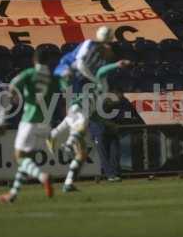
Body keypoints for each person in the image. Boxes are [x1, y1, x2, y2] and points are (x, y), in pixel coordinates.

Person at [46, 26, 131, 192]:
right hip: (71, 85)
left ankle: (68, 183)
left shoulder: (101, 87)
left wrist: (107, 124)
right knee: (81, 118)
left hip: (77, 112)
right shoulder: (97, 78)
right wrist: (117, 64)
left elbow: (94, 116)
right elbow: (95, 69)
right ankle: (66, 143)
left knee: (82, 154)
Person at [0, 47, 66, 204]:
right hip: (45, 124)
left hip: (29, 121)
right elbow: (66, 90)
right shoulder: (54, 78)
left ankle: (43, 177)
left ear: (34, 60)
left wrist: (2, 118)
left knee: (19, 157)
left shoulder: (29, 74)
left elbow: (11, 88)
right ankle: (13, 194)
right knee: (26, 160)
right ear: (48, 62)